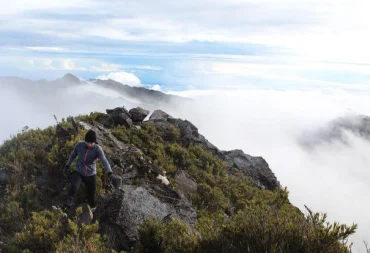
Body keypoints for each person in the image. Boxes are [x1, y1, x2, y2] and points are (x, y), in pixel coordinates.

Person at [63, 129, 120, 209]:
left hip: (91, 174)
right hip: (79, 171)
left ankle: (91, 210)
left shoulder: (97, 149)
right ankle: (67, 205)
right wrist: (67, 165)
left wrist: (110, 172)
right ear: (85, 140)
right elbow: (73, 155)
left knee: (92, 197)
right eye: (88, 142)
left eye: (91, 143)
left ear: (94, 142)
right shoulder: (79, 145)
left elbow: (104, 160)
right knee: (74, 186)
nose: (89, 144)